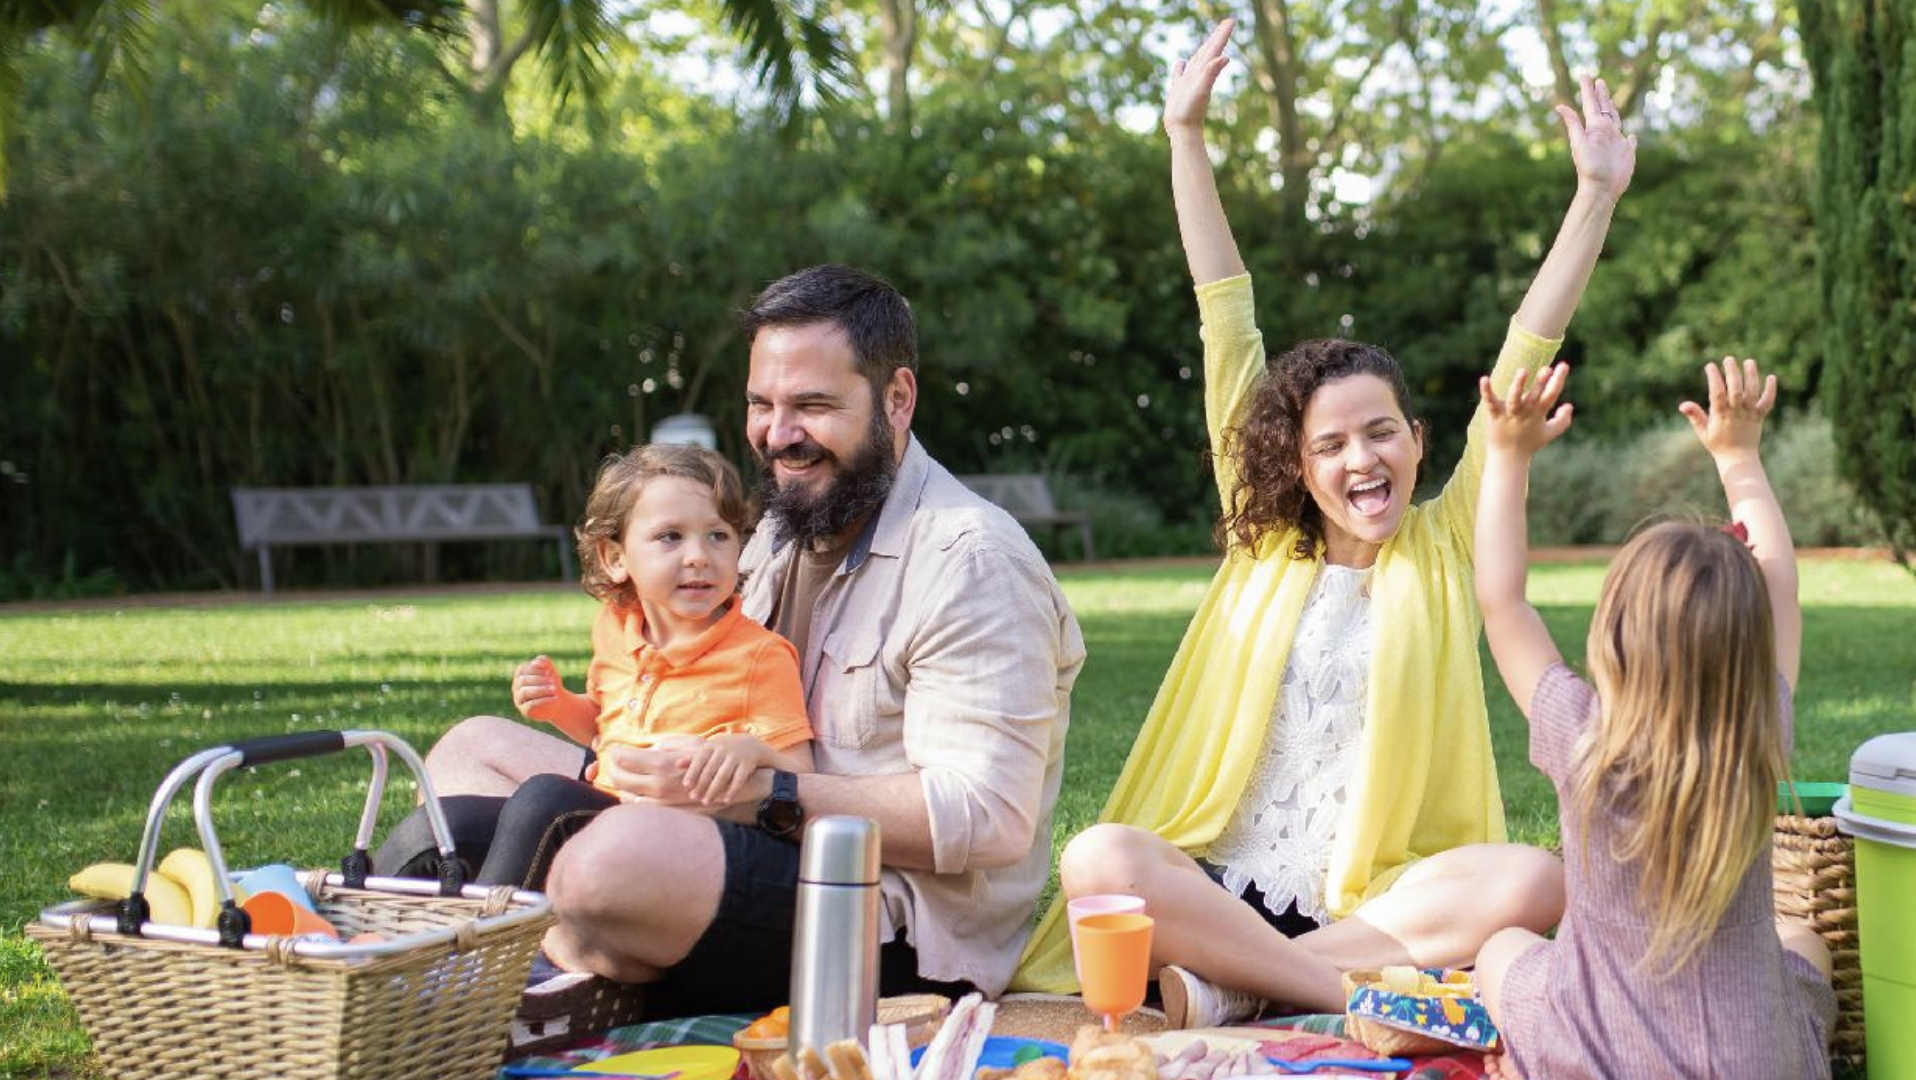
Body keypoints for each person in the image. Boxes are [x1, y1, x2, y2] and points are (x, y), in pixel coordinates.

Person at [1012, 20, 1634, 1026]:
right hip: (1213, 884)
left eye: (1379, 434)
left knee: (1531, 880)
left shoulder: (1444, 545)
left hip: (1372, 907)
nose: (1360, 460)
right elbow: (1225, 313)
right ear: (1295, 467)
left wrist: (1593, 194)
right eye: (1332, 445)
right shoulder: (1262, 539)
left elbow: (1526, 350)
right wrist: (1184, 135)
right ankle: (1330, 994)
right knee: (1099, 857)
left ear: (1418, 442)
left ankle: (1227, 989)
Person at [406, 264, 1086, 1019]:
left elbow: (987, 819)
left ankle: (516, 982)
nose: (778, 435)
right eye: (762, 404)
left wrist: (765, 794)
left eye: (813, 405)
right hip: (721, 828)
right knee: (467, 757)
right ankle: (443, 957)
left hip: (880, 919)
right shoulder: (781, 532)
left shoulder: (971, 559)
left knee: (605, 866)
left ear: (897, 399)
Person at [1470, 357, 1835, 1079]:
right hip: (1757, 1062)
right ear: (1748, 643)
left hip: (1595, 1059)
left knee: (1499, 950)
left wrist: (1507, 456)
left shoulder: (1581, 736)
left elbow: (1502, 603)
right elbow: (1783, 589)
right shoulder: (1759, 733)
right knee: (1804, 942)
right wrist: (1740, 459)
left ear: (1613, 635)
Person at [373, 445, 812, 891]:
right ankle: (367, 918)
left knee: (545, 799)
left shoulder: (759, 656)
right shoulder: (616, 629)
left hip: (682, 841)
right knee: (450, 821)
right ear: (615, 558)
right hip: (607, 809)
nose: (699, 555)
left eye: (717, 535)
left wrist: (749, 752)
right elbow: (606, 729)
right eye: (671, 537)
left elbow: (802, 767)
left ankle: (483, 936)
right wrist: (558, 706)